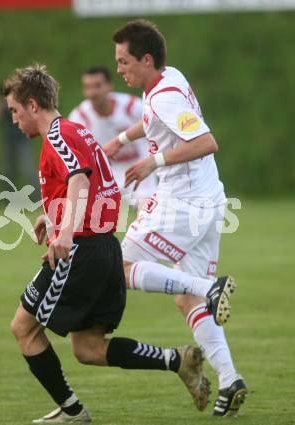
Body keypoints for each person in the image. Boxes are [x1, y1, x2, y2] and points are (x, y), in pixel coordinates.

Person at [4, 64, 210, 423]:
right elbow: (94, 185)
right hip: (103, 249)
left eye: (14, 111)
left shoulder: (58, 135)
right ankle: (177, 361)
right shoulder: (77, 130)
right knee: (88, 348)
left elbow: (80, 181)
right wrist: (52, 216)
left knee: (23, 328)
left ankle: (72, 412)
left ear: (33, 105)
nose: (13, 119)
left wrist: (64, 233)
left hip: (80, 252)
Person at [102, 20, 247, 417]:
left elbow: (205, 142)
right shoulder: (168, 79)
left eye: (124, 61)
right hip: (208, 200)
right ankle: (230, 378)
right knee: (187, 300)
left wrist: (154, 160)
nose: (119, 70)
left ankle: (209, 287)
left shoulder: (163, 96)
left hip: (182, 204)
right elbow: (154, 119)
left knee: (121, 265)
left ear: (146, 59)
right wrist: (123, 139)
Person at [68, 65, 157, 207]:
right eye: (87, 87)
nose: (92, 92)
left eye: (97, 86)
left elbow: (157, 124)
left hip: (138, 165)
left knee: (146, 207)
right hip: (107, 174)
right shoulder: (79, 117)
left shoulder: (132, 106)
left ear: (109, 86)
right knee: (88, 214)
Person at [0, 84, 38, 188]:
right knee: (7, 170)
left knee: (28, 169)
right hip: (8, 139)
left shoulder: (18, 102)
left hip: (22, 138)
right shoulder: (1, 104)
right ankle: (9, 198)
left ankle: (38, 197)